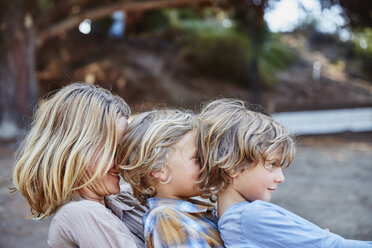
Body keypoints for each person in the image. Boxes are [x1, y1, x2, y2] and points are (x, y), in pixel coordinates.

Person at [195, 98, 372, 248]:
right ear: (232, 166)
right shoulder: (249, 216)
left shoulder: (228, 217)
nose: (281, 178)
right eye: (272, 164)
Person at [12, 83, 146, 248]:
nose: (123, 159)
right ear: (76, 151)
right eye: (113, 149)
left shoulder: (122, 200)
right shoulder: (81, 214)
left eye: (124, 149)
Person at [118, 109, 224, 248]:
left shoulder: (191, 213)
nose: (207, 163)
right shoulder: (166, 220)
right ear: (158, 169)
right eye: (197, 158)